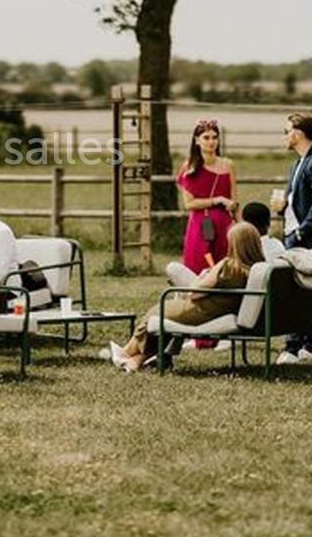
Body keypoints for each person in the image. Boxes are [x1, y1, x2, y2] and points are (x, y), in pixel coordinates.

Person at [109, 222, 266, 373]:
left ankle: (126, 352)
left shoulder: (228, 266)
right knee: (164, 313)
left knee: (156, 313)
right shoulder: (255, 268)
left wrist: (204, 276)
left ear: (235, 244)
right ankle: (136, 360)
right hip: (223, 310)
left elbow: (194, 293)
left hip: (203, 311)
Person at [271, 112, 312, 366]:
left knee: (307, 292)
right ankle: (302, 346)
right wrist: (281, 208)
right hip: (291, 236)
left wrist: (300, 233)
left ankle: (301, 347)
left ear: (298, 133)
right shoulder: (296, 165)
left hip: (310, 239)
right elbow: (295, 202)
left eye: (286, 131)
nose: (285, 136)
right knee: (293, 292)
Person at [176, 119, 236, 274]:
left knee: (224, 267)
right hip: (200, 223)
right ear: (197, 141)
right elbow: (189, 204)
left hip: (224, 224)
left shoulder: (228, 165)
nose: (211, 142)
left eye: (215, 137)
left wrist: (239, 225)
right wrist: (217, 200)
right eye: (206, 138)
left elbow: (235, 199)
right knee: (198, 266)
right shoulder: (189, 167)